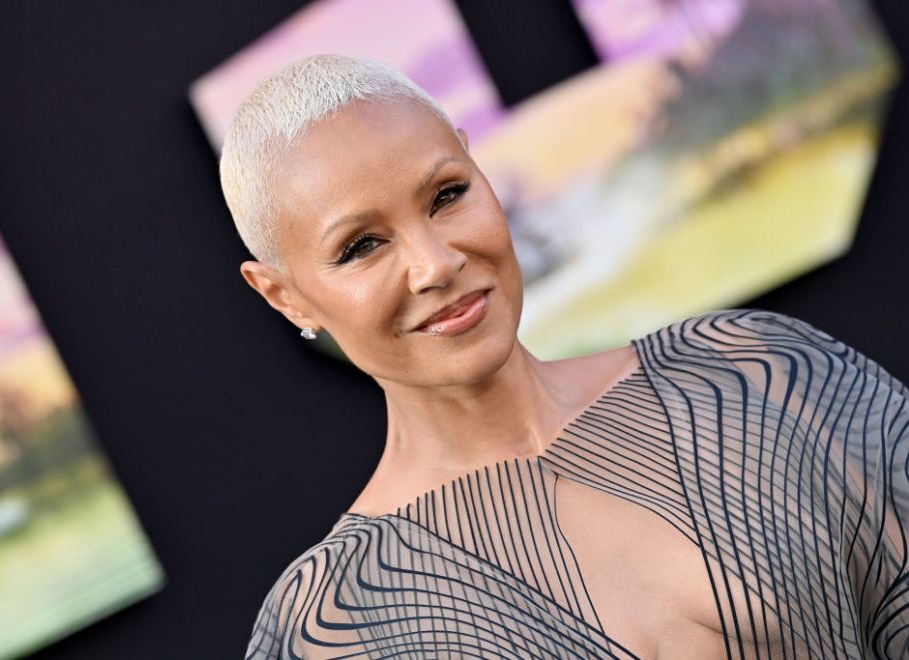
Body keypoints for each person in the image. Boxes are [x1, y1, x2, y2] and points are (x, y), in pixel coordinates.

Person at [219, 53, 909, 659]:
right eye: (361, 246)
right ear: (285, 298)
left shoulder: (755, 377)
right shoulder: (330, 626)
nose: (435, 264)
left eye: (448, 196)